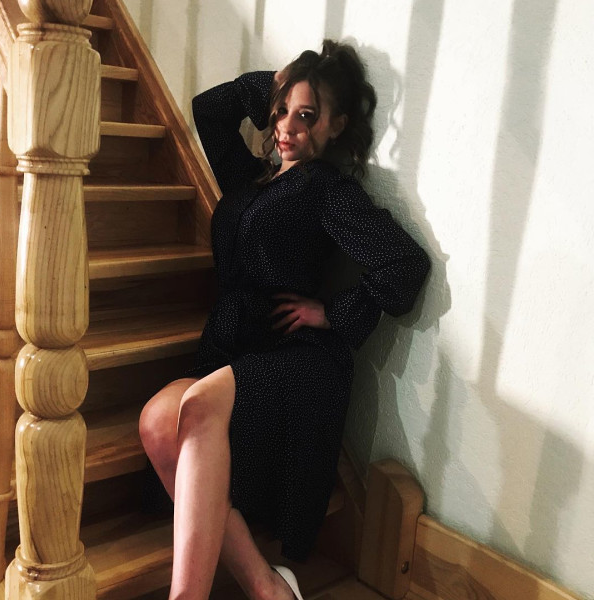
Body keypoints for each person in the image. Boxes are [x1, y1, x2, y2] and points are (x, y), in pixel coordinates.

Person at [139, 39, 430, 600]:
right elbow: (209, 109)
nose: (287, 128)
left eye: (307, 116)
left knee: (196, 407)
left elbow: (404, 263)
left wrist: (333, 312)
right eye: (282, 112)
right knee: (156, 422)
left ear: (337, 125)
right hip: (233, 347)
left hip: (294, 357)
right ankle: (268, 587)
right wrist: (281, 81)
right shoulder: (248, 180)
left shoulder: (325, 189)